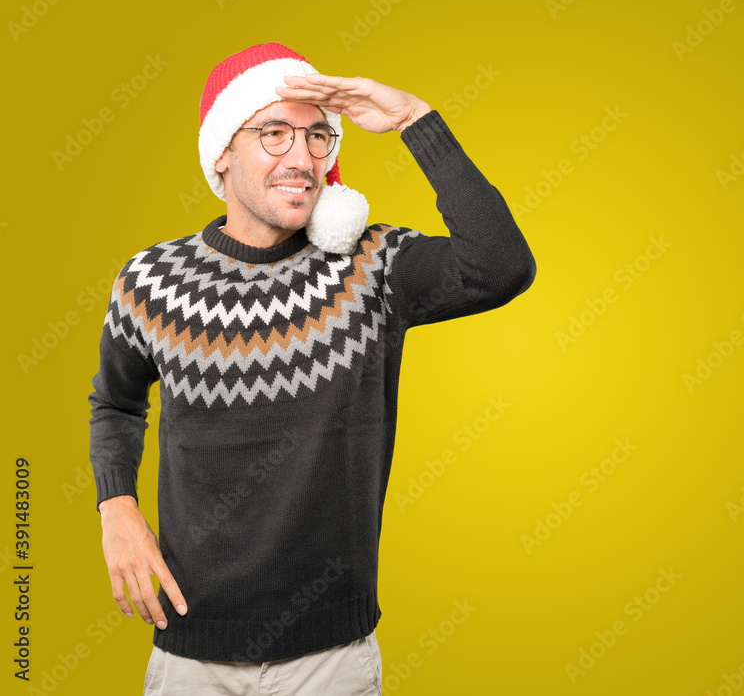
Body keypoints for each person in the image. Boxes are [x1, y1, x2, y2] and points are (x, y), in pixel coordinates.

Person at [88, 41, 536, 695]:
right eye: (274, 133)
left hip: (332, 658)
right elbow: (117, 403)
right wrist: (115, 504)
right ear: (221, 152)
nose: (301, 156)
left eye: (318, 135)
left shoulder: (371, 266)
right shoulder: (151, 281)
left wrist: (416, 117)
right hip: (191, 653)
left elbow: (501, 266)